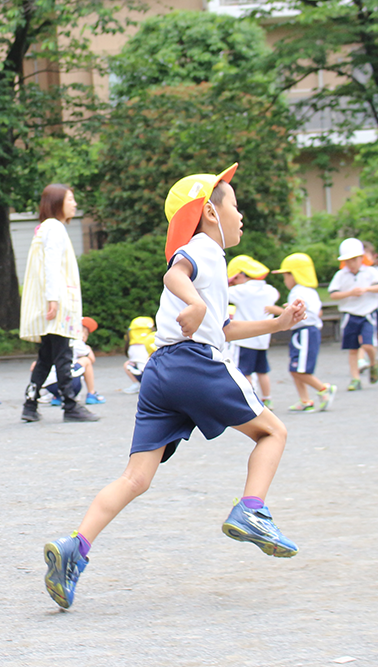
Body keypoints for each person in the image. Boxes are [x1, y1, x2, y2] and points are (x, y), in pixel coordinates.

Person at [43, 164, 308, 611]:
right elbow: (174, 275)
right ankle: (252, 509)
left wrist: (276, 323)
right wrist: (195, 301)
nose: (241, 216)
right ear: (209, 211)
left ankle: (75, 547)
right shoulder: (202, 248)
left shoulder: (209, 260)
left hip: (160, 373)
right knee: (273, 432)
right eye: (236, 207)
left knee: (135, 477)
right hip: (193, 364)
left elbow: (223, 327)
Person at [19, 183, 98, 423]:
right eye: (70, 199)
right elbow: (51, 264)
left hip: (52, 299)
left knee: (46, 356)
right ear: (57, 203)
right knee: (63, 353)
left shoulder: (45, 228)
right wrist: (53, 299)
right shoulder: (54, 228)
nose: (74, 204)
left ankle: (30, 404)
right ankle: (70, 404)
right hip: (58, 301)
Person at [270, 253, 337, 412]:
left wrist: (277, 310)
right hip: (304, 332)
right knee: (295, 368)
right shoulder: (309, 291)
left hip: (304, 332)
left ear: (294, 274)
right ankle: (305, 400)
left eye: (286, 275)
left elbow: (301, 315)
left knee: (299, 370)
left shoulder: (298, 291)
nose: (285, 280)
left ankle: (323, 388)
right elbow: (317, 312)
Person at [227, 255, 280, 408]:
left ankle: (252, 398)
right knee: (262, 371)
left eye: (235, 279)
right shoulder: (270, 290)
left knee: (244, 372)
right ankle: (267, 398)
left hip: (244, 338)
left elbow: (222, 292)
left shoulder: (241, 291)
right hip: (263, 339)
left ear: (242, 275)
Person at [328, 238, 378, 390]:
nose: (351, 264)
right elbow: (333, 294)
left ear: (361, 258)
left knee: (368, 344)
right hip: (350, 314)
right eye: (347, 261)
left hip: (368, 312)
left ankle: (373, 362)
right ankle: (355, 378)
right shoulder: (341, 275)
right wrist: (350, 293)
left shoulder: (370, 272)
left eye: (353, 260)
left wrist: (366, 290)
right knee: (352, 348)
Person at [45, 317, 104, 406]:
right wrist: (88, 348)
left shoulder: (56, 342)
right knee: (85, 361)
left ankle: (56, 397)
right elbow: (92, 359)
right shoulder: (77, 342)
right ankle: (91, 393)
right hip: (70, 384)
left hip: (51, 386)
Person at [122, 316, 155, 394]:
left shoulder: (131, 346)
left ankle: (136, 384)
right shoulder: (151, 341)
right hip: (152, 373)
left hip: (140, 373)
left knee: (127, 364)